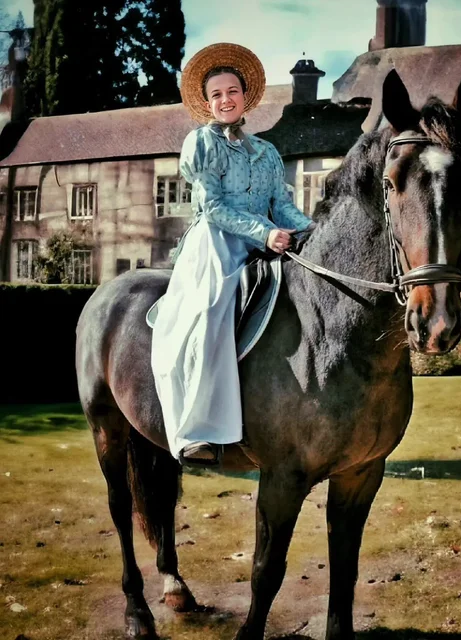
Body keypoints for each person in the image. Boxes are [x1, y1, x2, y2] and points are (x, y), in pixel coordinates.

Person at [150, 43, 314, 466]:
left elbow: (283, 203)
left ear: (246, 97)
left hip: (269, 238)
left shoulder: (267, 152)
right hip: (217, 244)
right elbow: (215, 208)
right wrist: (266, 232)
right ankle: (197, 432)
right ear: (208, 103)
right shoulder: (201, 144)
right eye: (217, 94)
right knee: (210, 312)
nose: (226, 100)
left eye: (232, 92)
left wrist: (310, 228)